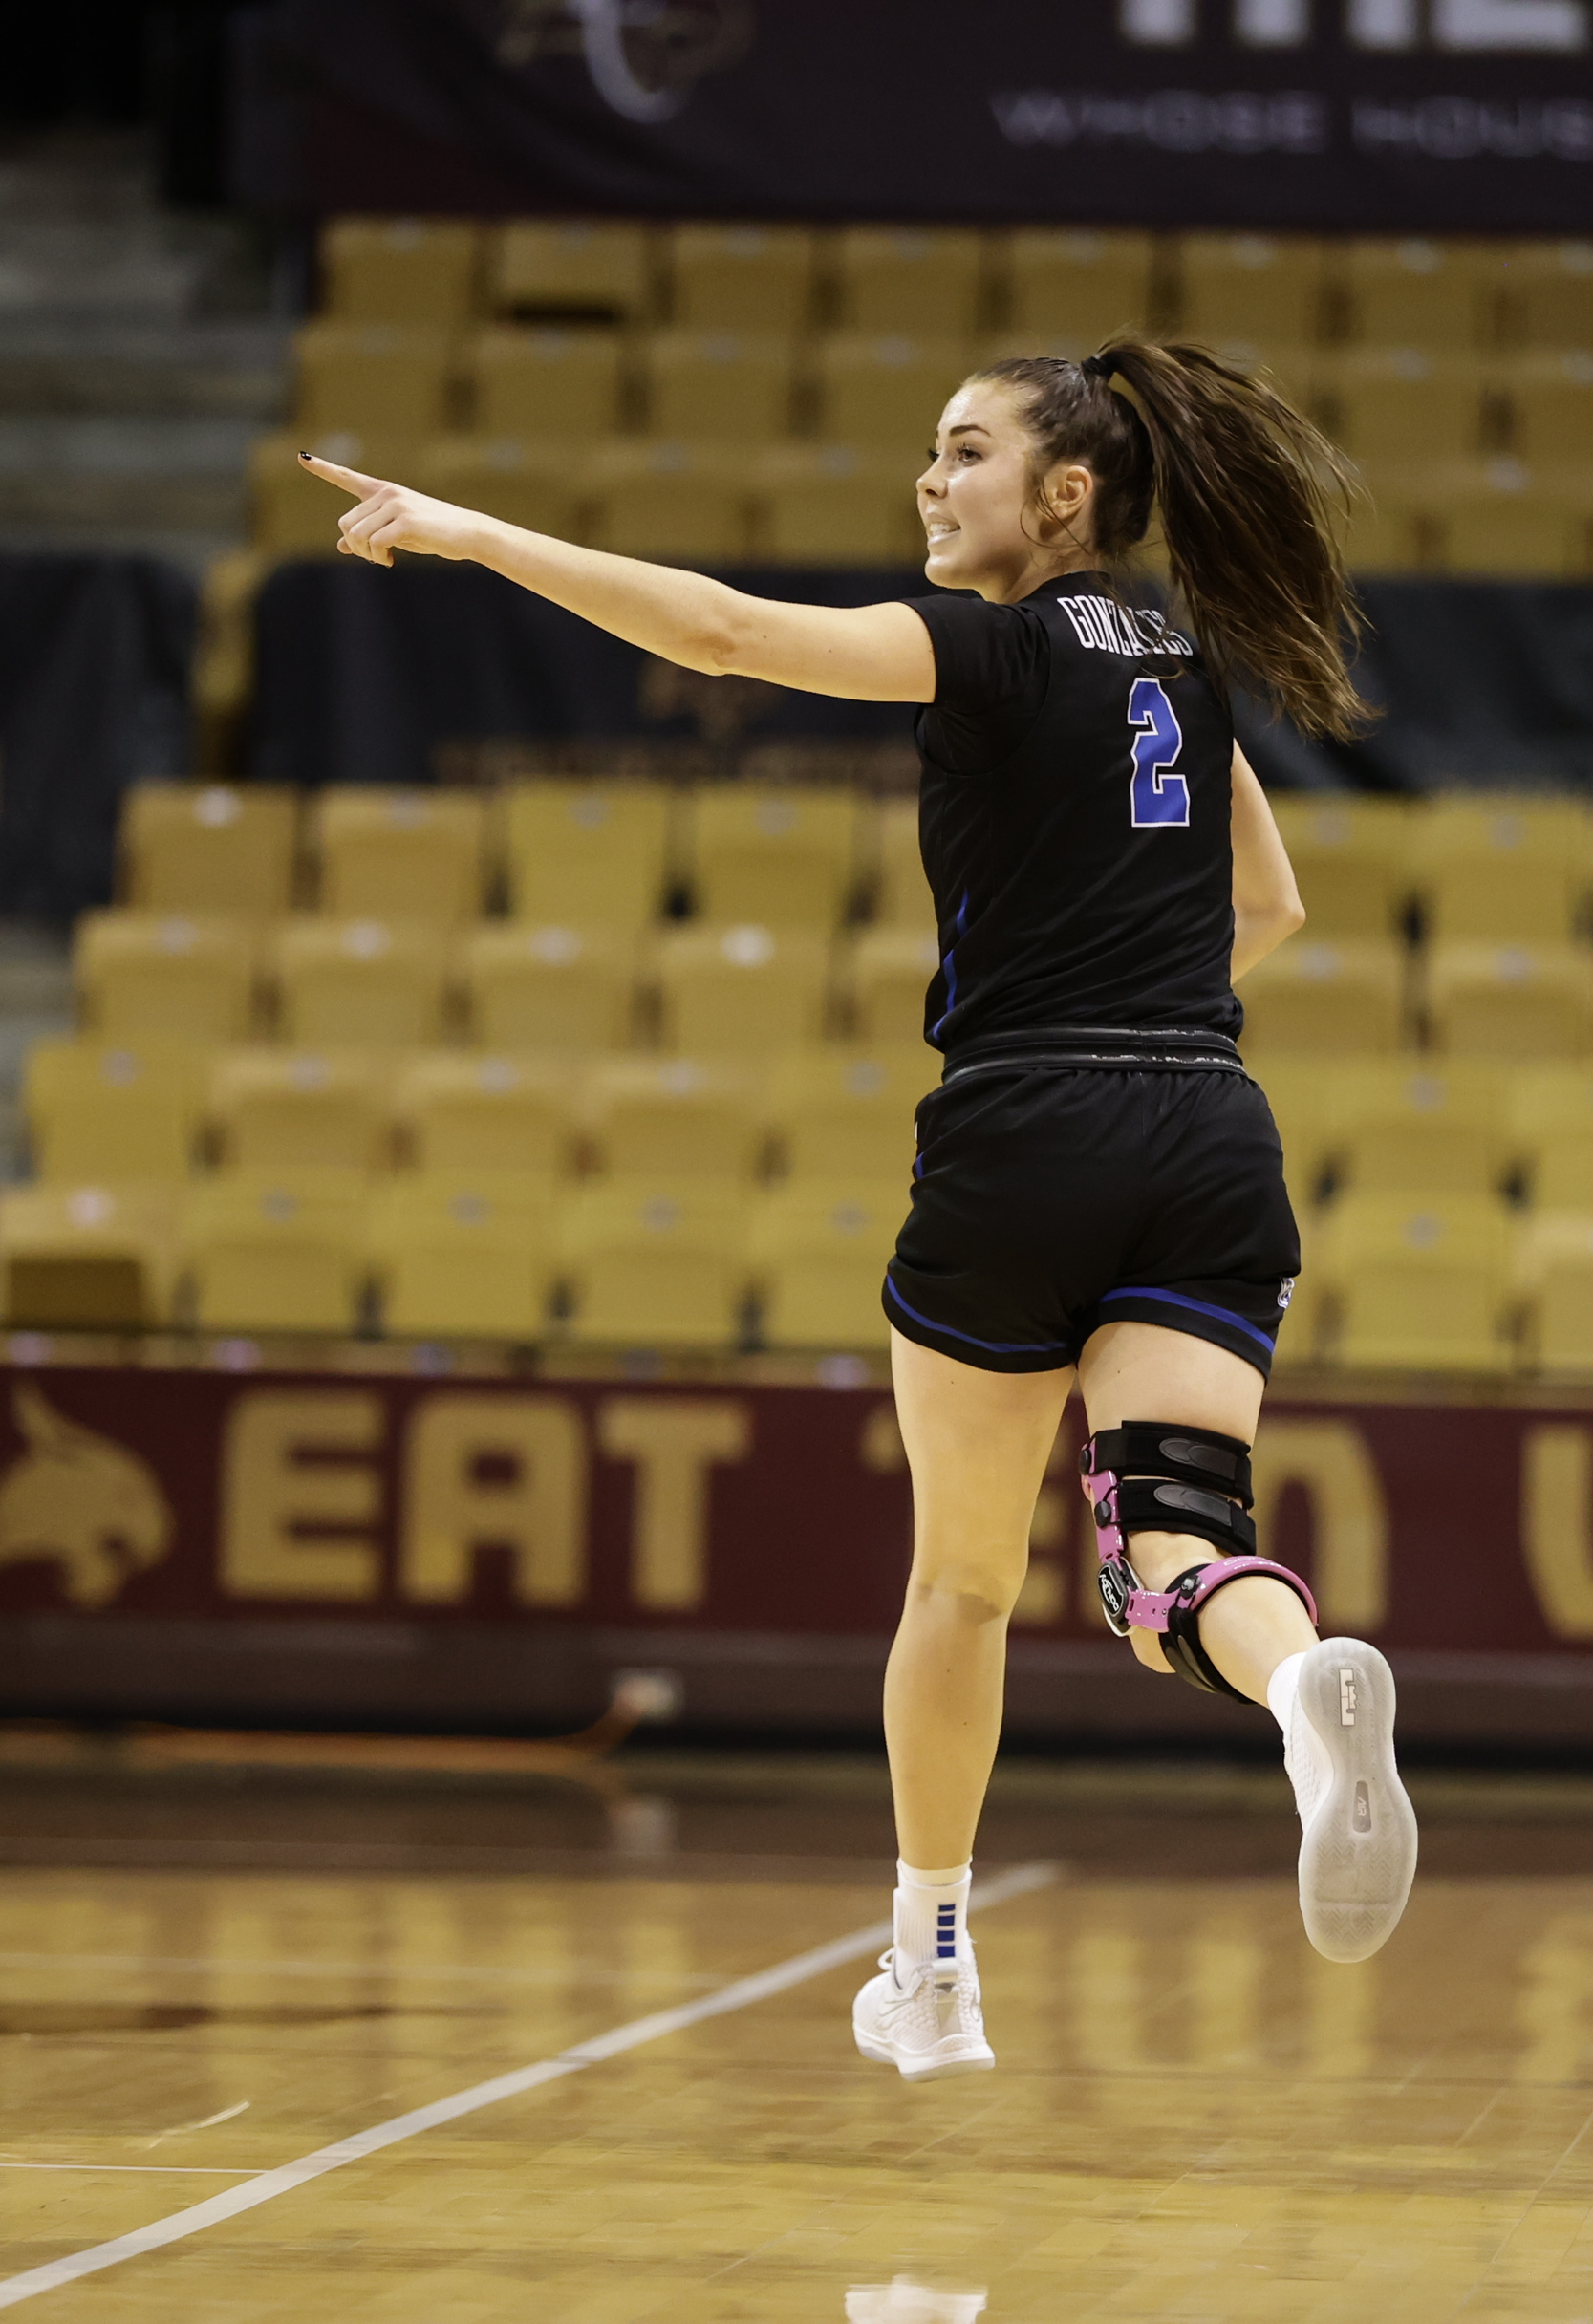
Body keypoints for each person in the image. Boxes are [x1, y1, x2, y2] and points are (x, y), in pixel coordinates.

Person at [311, 334, 1419, 2084]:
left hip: (1025, 1123)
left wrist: (471, 533)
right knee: (1162, 1550)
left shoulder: (988, 650)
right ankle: (1298, 1702)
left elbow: (730, 635)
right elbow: (1268, 902)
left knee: (965, 1586)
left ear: (1064, 496)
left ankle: (934, 1967)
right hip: (1210, 1128)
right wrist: (1133, 992)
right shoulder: (1188, 675)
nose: (930, 477)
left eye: (963, 450)